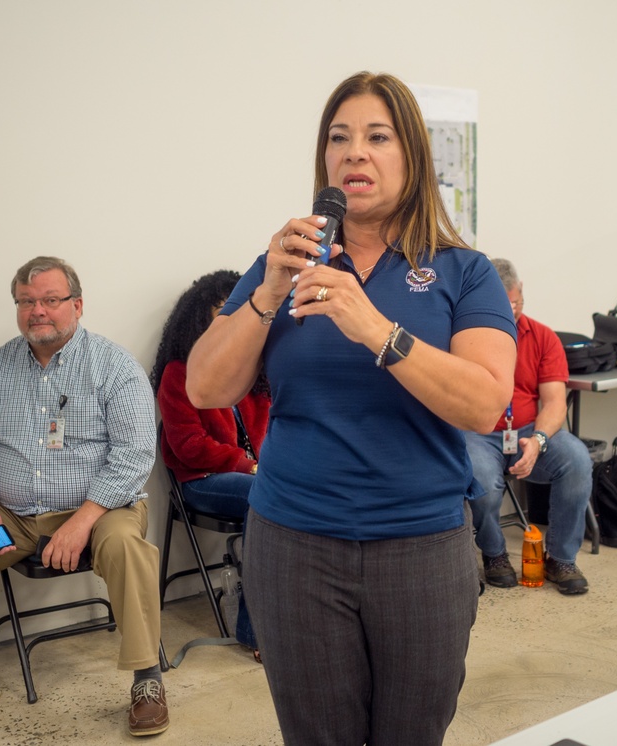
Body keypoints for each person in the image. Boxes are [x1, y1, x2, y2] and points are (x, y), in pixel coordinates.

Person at [185, 72, 517, 746]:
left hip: (421, 549)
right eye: (338, 139)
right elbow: (204, 388)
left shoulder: (463, 270)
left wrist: (376, 329)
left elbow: (485, 404)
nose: (353, 153)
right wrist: (269, 290)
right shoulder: (284, 263)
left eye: (376, 137)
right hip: (293, 546)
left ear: (413, 156)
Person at [0, 256, 169, 737]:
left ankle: (147, 681)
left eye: (50, 300)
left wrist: (80, 522)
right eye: (26, 302)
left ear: (78, 304)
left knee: (128, 547)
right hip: (12, 513)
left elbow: (134, 456)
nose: (38, 311)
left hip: (102, 508)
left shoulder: (115, 366)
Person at [150, 269, 270, 655]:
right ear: (198, 319)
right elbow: (189, 446)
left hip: (259, 476)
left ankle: (300, 614)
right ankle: (258, 635)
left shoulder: (255, 369)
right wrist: (247, 464)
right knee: (266, 499)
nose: (231, 320)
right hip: (202, 479)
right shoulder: (178, 373)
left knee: (302, 494)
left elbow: (276, 431)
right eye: (222, 311)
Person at [464, 258, 592, 595]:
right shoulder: (464, 334)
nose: (512, 311)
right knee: (480, 480)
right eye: (503, 304)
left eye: (517, 303)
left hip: (527, 432)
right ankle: (494, 554)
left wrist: (538, 439)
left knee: (577, 460)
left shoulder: (542, 337)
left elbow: (554, 403)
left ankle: (561, 558)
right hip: (479, 433)